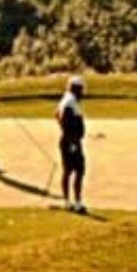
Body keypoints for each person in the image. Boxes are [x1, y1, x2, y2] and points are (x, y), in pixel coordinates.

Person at [56, 75, 87, 214]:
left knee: (69, 171)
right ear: (75, 88)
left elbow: (56, 115)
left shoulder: (67, 99)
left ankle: (68, 202)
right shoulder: (70, 101)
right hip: (71, 142)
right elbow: (63, 118)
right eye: (81, 89)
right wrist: (72, 140)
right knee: (78, 170)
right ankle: (76, 203)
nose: (82, 92)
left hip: (69, 140)